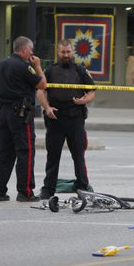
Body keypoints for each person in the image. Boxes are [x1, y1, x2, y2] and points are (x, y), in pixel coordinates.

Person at [0, 36, 47, 202]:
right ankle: (25, 192)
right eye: (31, 50)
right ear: (25, 49)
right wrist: (38, 66)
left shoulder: (1, 64)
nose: (32, 53)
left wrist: (3, 102)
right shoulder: (24, 66)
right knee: (25, 152)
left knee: (5, 152)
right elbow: (42, 84)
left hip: (4, 113)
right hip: (20, 114)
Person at [37, 39, 96, 199]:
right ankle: (48, 190)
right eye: (63, 52)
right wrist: (46, 107)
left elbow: (91, 91)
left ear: (72, 52)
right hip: (55, 118)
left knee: (78, 155)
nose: (66, 55)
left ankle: (83, 187)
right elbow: (40, 91)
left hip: (75, 119)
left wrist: (84, 100)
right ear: (58, 52)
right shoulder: (49, 71)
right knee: (53, 156)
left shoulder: (80, 70)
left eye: (68, 52)